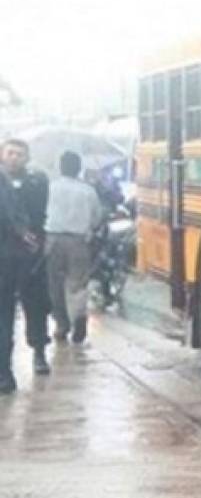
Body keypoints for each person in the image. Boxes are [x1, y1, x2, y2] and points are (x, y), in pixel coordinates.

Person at [1, 139, 52, 375]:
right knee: (4, 312)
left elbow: (38, 212)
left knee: (36, 305)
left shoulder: (36, 181)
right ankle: (4, 368)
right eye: (10, 153)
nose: (14, 158)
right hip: (4, 255)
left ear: (27, 158)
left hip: (31, 255)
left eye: (19, 154)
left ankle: (39, 352)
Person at [45, 151, 104, 345]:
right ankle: (79, 317)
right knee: (77, 284)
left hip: (52, 240)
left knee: (54, 285)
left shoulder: (50, 188)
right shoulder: (88, 191)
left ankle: (61, 325)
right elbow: (97, 218)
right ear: (79, 169)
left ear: (60, 167)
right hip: (79, 242)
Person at [0, 163, 40, 394]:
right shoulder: (4, 183)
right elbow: (13, 218)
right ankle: (4, 374)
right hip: (6, 260)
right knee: (4, 316)